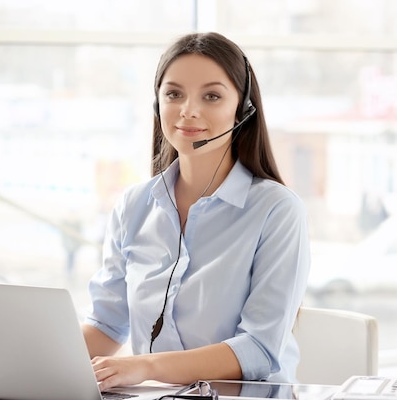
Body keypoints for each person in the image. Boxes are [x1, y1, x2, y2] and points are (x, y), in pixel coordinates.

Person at [81, 32, 311, 389]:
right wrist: (17, 361)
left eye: (212, 96)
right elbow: (107, 325)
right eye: (174, 94)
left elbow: (259, 349)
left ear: (243, 108)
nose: (188, 110)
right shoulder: (133, 206)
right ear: (158, 105)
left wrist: (145, 366)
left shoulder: (277, 211)